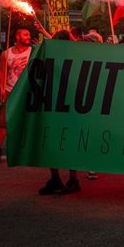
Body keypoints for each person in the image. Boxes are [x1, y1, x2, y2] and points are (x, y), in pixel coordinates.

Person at [38, 29, 81, 195]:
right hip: (59, 103)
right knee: (54, 141)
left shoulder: (71, 57)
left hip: (64, 104)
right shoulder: (62, 56)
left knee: (59, 141)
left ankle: (71, 179)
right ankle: (61, 178)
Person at [0, 27, 32, 163]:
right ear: (17, 37)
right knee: (4, 121)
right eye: (26, 35)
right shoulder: (6, 54)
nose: (28, 37)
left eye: (28, 35)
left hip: (27, 91)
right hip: (10, 90)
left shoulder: (33, 52)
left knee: (26, 121)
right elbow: (2, 72)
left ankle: (23, 149)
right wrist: (2, 89)